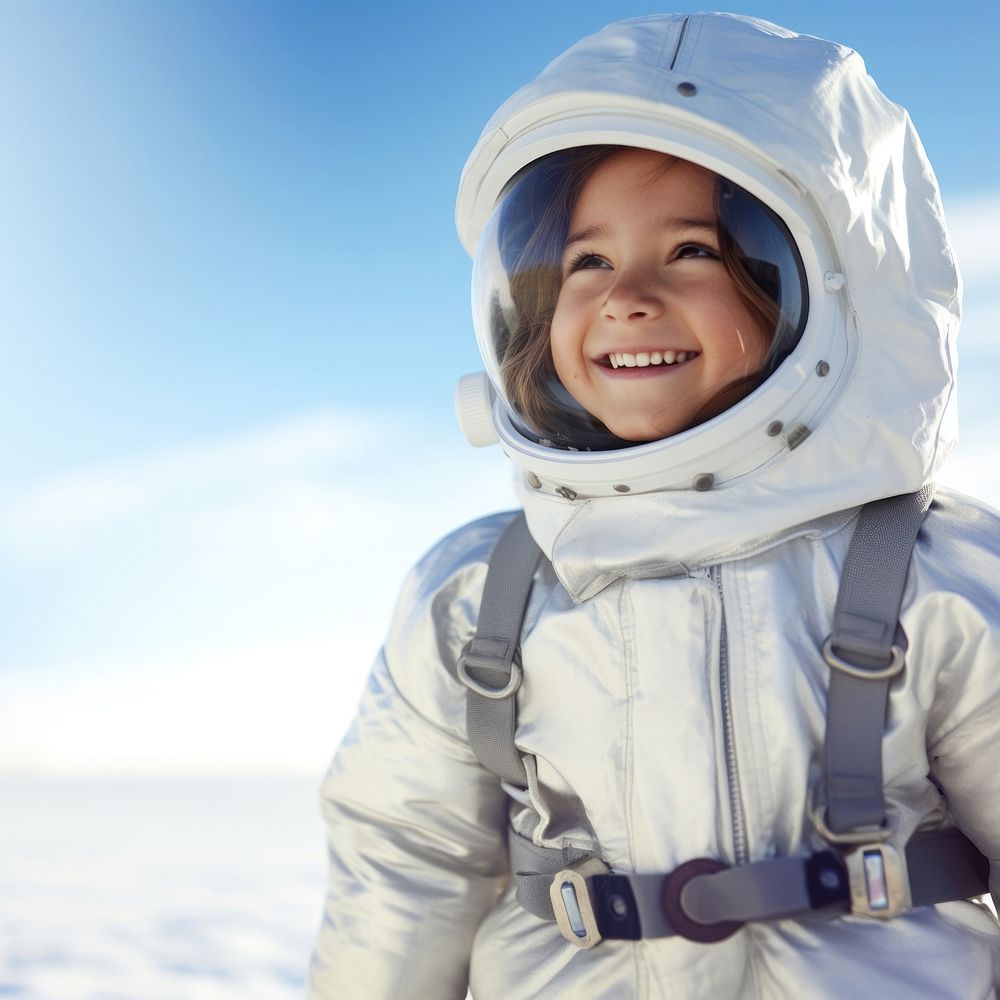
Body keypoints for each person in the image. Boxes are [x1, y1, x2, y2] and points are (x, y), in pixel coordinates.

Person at [309, 13, 1000, 998]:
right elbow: (405, 869)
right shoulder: (479, 595)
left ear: (826, 289)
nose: (627, 295)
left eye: (690, 252)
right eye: (585, 261)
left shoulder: (936, 575)